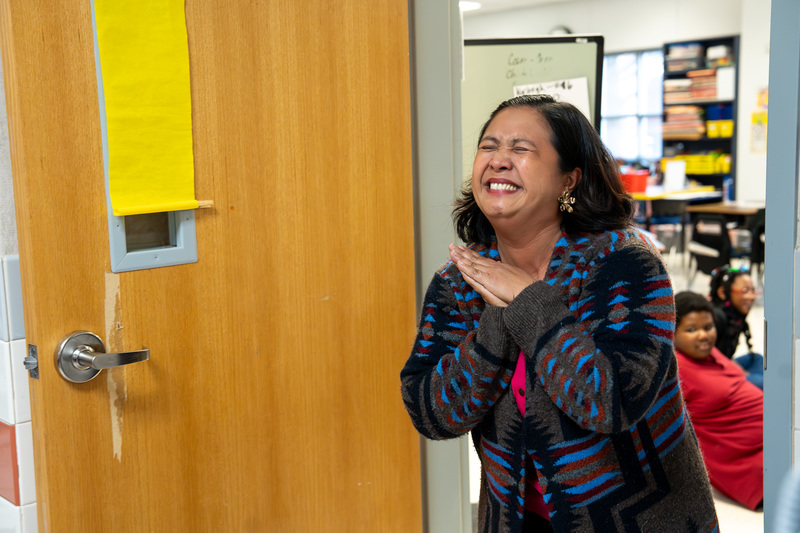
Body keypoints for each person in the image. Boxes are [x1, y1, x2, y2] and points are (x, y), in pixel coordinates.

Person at [400, 95, 718, 532]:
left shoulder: (624, 264)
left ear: (569, 179)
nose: (498, 160)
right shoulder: (460, 281)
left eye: (521, 148)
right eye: (488, 146)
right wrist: (499, 313)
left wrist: (528, 300)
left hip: (640, 520)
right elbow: (431, 412)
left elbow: (611, 403)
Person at [672, 291, 763, 510]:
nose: (704, 336)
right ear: (671, 333)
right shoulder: (675, 369)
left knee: (758, 362)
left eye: (708, 327)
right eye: (692, 330)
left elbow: (736, 372)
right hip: (753, 460)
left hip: (771, 438)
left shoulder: (706, 352)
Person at [709, 265, 763, 389]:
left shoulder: (733, 315)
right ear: (723, 292)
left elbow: (724, 356)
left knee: (757, 358)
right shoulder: (716, 317)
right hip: (716, 375)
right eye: (745, 291)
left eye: (753, 291)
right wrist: (742, 373)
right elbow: (713, 360)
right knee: (763, 383)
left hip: (725, 364)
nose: (752, 296)